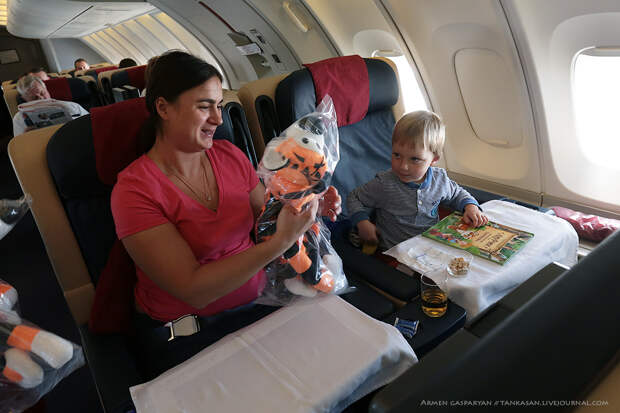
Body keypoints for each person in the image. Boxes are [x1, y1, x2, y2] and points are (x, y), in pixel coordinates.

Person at [110, 51, 341, 379]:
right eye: (204, 106)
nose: (218, 119)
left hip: (262, 303)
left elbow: (267, 218)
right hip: (191, 330)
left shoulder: (229, 156)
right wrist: (280, 242)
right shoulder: (134, 191)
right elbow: (193, 289)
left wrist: (305, 199)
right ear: (163, 108)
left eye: (219, 106)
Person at [347, 110, 487, 251]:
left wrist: (471, 206)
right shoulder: (385, 183)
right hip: (395, 251)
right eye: (397, 155)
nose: (403, 166)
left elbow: (457, 194)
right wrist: (362, 222)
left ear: (433, 159)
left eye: (414, 159)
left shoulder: (440, 180)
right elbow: (354, 198)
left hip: (429, 246)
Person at [12, 75, 88, 136]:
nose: (41, 98)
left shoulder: (72, 106)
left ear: (46, 89)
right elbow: (20, 146)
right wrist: (27, 137)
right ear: (25, 99)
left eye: (42, 93)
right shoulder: (19, 119)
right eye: (34, 98)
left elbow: (89, 124)